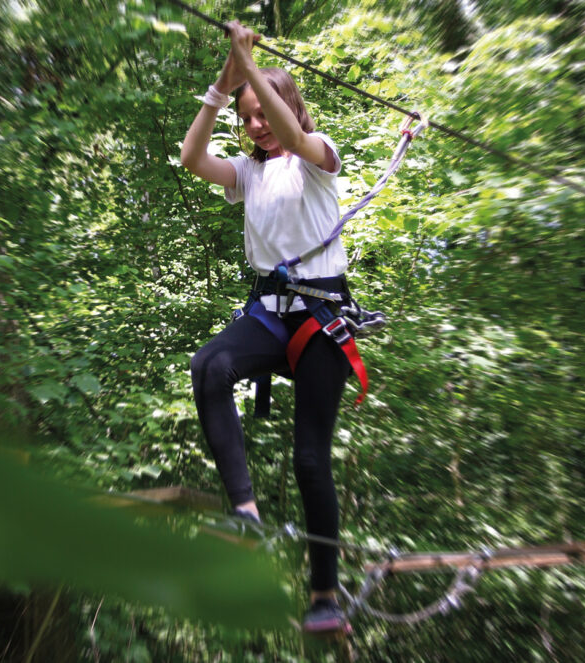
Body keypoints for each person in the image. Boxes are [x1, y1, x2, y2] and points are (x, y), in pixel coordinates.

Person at [180, 21, 354, 634]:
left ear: (285, 109)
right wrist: (221, 86)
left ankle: (325, 596)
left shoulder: (318, 157)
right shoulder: (248, 174)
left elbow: (289, 131)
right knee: (209, 367)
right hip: (269, 311)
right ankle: (246, 515)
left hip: (322, 316)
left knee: (310, 460)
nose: (255, 126)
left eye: (263, 114)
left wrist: (248, 65)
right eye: (246, 117)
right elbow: (191, 157)